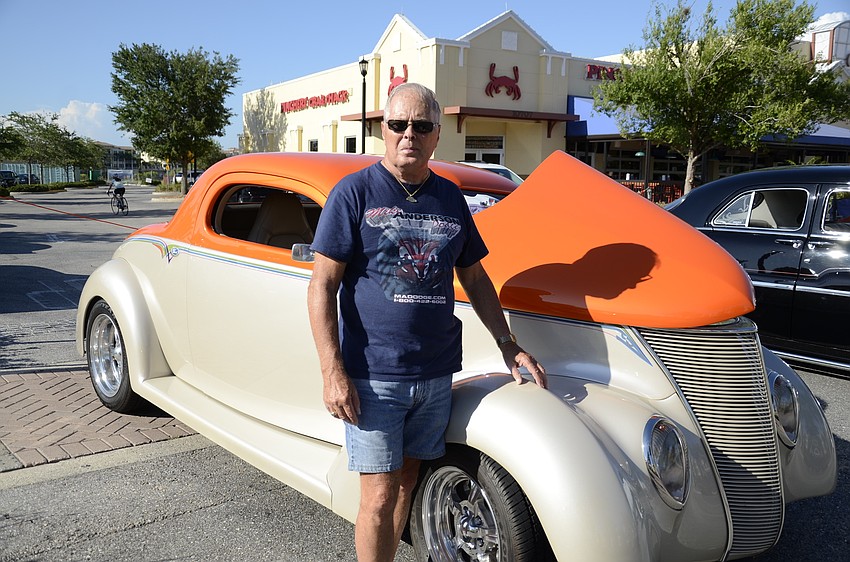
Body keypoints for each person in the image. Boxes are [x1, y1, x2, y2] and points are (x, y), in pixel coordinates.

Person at [307, 82, 546, 562]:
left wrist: (508, 343)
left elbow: (476, 279)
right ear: (383, 130)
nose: (408, 134)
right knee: (376, 497)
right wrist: (332, 370)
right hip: (373, 377)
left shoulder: (450, 199)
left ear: (437, 135)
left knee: (409, 482)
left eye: (421, 126)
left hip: (435, 375)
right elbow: (322, 286)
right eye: (398, 124)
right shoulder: (353, 194)